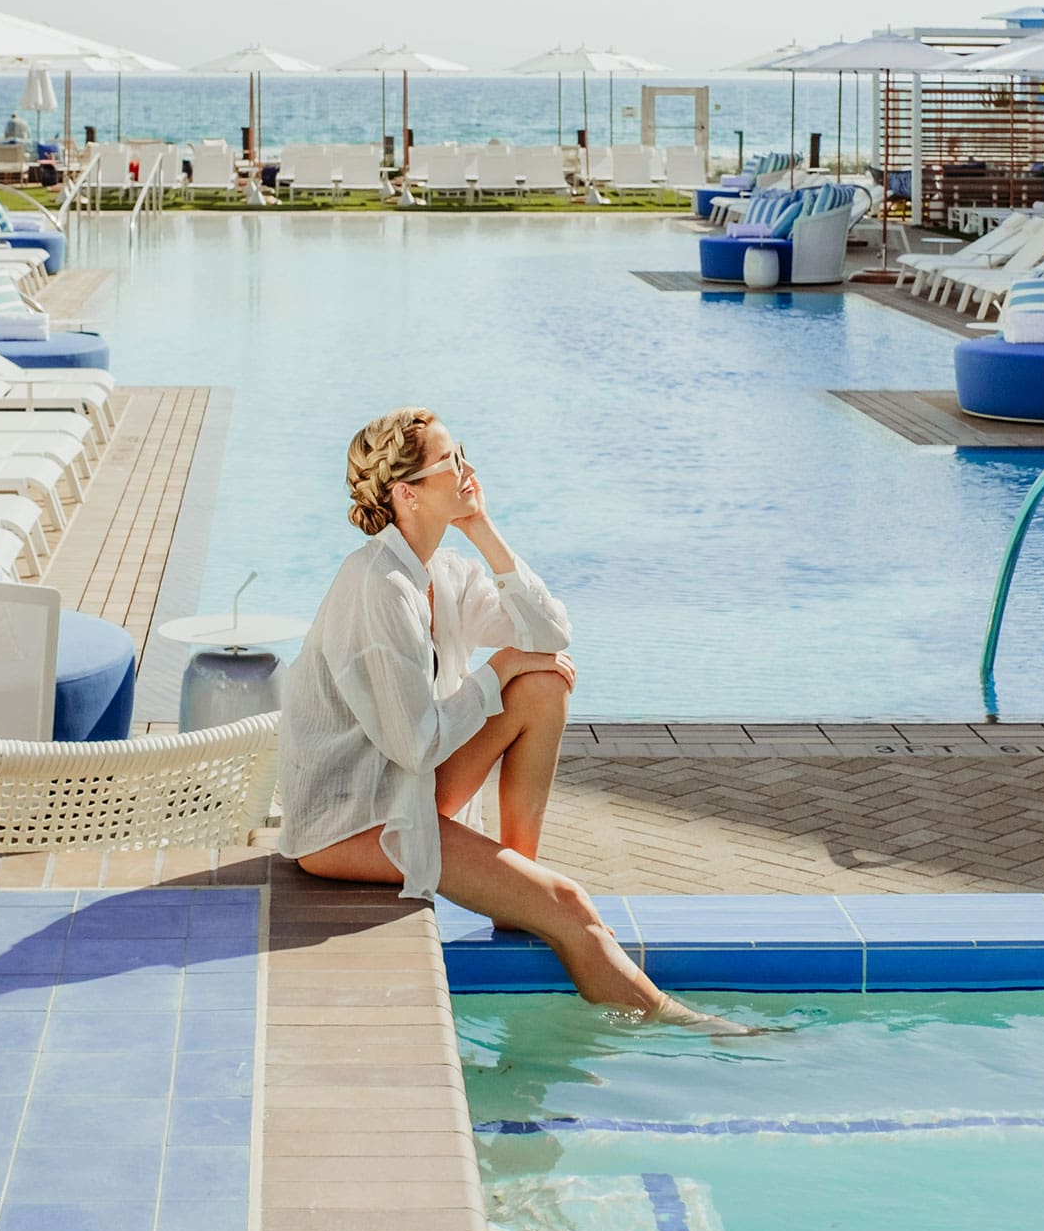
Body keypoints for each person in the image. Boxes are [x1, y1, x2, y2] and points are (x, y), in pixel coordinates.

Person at [281, 407, 738, 1029]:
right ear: (407, 493)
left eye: (462, 451)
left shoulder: (442, 571)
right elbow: (415, 746)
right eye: (450, 461)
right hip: (351, 822)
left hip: (407, 790)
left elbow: (551, 634)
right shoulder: (379, 586)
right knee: (569, 903)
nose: (467, 467)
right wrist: (497, 669)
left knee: (543, 683)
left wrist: (482, 528)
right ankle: (689, 1030)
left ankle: (517, 888)